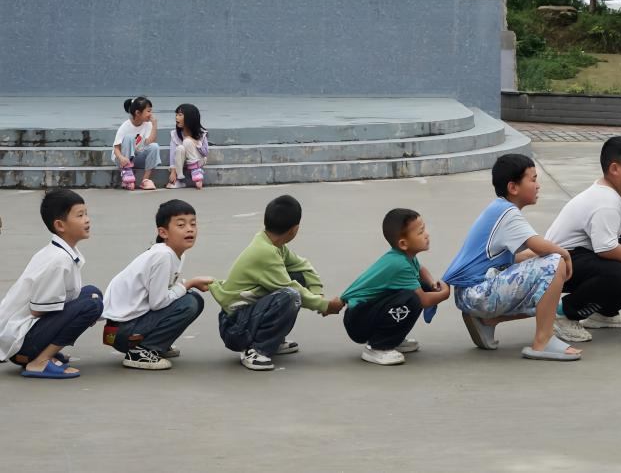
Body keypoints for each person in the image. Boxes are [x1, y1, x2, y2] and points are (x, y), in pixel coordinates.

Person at [442, 154, 581, 361]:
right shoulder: (508, 213)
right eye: (533, 180)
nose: (538, 186)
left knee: (544, 274)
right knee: (555, 264)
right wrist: (565, 254)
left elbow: (521, 256)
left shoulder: (498, 209)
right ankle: (543, 341)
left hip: (472, 293)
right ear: (513, 187)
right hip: (477, 294)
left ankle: (488, 320)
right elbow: (538, 245)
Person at [544, 136, 621, 342]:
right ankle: (564, 314)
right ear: (615, 169)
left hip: (581, 256)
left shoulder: (620, 192)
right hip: (559, 264)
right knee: (616, 273)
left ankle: (604, 313)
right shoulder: (606, 202)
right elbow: (606, 248)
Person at [210, 195, 344, 371]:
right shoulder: (265, 252)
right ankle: (256, 349)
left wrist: (317, 294)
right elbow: (291, 289)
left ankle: (273, 340)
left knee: (297, 277)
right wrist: (325, 305)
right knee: (290, 295)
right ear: (294, 230)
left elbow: (304, 266)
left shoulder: (273, 244)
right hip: (235, 327)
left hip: (246, 315)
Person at [0, 189, 104, 379]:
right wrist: (79, 315)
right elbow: (37, 310)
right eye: (80, 215)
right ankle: (39, 361)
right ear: (60, 225)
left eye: (86, 214)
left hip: (24, 334)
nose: (87, 220)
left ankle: (43, 352)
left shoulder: (60, 252)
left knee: (92, 293)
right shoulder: (58, 260)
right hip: (20, 343)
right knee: (92, 305)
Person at [102, 199, 214, 370]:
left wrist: (187, 286)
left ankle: (156, 344)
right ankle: (142, 350)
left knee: (193, 298)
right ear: (163, 232)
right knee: (190, 302)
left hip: (123, 328)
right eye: (181, 225)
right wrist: (189, 284)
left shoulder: (171, 253)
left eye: (193, 224)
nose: (190, 229)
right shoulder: (163, 256)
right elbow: (158, 303)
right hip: (123, 332)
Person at [342, 209, 451, 366]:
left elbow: (421, 269)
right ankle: (378, 346)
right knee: (413, 299)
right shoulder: (399, 264)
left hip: (367, 312)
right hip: (358, 320)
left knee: (423, 287)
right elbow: (424, 300)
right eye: (421, 232)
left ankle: (392, 339)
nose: (427, 235)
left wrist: (433, 283)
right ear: (403, 244)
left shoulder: (405, 257)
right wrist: (445, 293)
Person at [113, 95, 160, 190]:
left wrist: (154, 125)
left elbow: (149, 142)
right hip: (122, 159)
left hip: (136, 157)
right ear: (138, 113)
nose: (151, 114)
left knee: (154, 146)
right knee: (129, 137)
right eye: (148, 111)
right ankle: (126, 174)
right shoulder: (125, 126)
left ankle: (145, 180)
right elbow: (116, 148)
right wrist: (121, 158)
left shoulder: (148, 124)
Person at [167, 103, 209, 189]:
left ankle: (196, 171)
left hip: (199, 160)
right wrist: (173, 171)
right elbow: (172, 154)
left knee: (187, 141)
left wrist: (193, 141)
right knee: (180, 148)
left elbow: (205, 152)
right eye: (176, 115)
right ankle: (179, 179)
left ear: (190, 118)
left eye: (180, 115)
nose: (176, 117)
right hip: (182, 162)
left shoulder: (201, 133)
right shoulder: (174, 134)